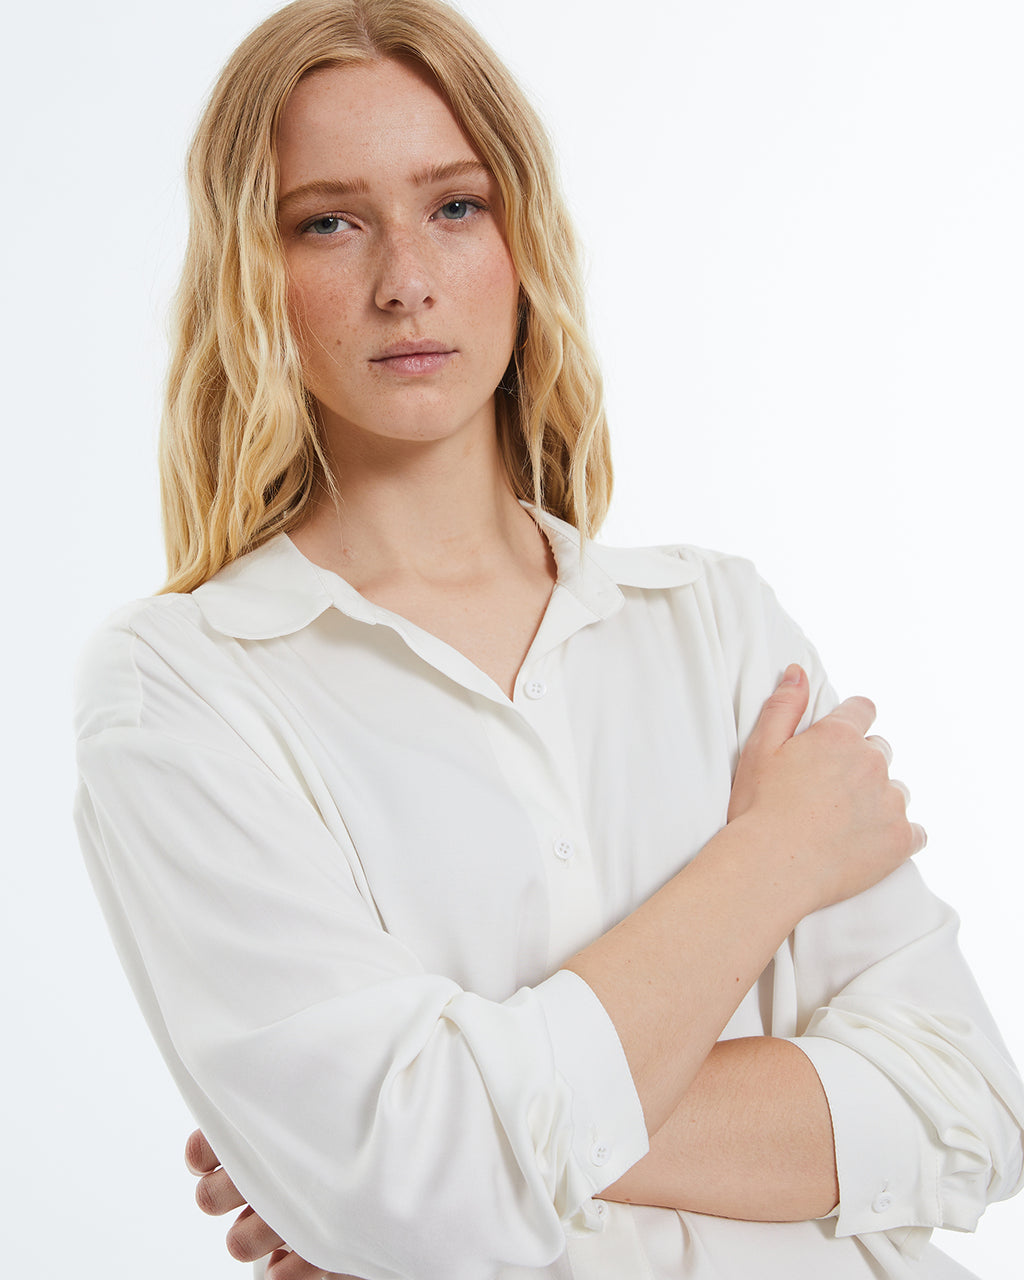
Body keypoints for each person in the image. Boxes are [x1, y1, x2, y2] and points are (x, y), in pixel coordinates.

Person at [73, 1, 1024, 1277]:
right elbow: (420, 1177)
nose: (404, 277)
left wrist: (432, 1142)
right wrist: (776, 854)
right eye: (330, 220)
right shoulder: (182, 688)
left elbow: (966, 1104)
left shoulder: (714, 621)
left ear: (519, 235)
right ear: (253, 264)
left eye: (454, 206)